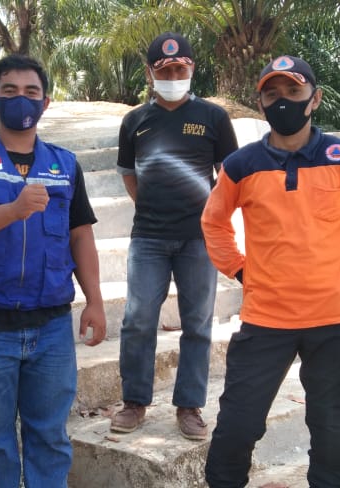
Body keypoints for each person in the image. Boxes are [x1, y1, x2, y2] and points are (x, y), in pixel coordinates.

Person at [200, 55, 340, 487]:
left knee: (332, 436)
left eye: (293, 91)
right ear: (261, 104)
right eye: (272, 94)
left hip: (334, 321)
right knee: (236, 430)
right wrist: (242, 271)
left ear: (314, 99)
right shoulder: (241, 166)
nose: (283, 101)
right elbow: (214, 222)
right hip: (265, 321)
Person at [0, 54, 107, 487]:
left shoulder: (65, 165)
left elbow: (80, 235)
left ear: (45, 102)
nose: (21, 99)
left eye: (31, 92)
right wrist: (12, 210)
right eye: (9, 91)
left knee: (50, 437)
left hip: (51, 327)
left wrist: (95, 301)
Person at [110, 32, 239, 441]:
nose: (173, 77)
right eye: (164, 71)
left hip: (198, 239)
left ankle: (189, 406)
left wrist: (212, 220)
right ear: (150, 73)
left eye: (180, 69)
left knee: (197, 322)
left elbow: (230, 176)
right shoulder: (134, 122)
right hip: (148, 237)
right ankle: (134, 402)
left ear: (192, 69)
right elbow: (129, 175)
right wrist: (152, 205)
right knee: (137, 320)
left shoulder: (214, 118)